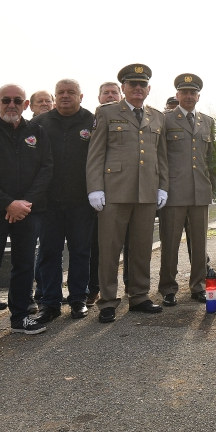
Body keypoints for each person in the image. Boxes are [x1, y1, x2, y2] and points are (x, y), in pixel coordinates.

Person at [0, 84, 53, 348]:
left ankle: (20, 317)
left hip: (28, 211)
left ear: (26, 105)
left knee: (24, 265)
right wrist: (7, 204)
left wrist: (24, 204)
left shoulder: (37, 132)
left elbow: (46, 170)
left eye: (17, 100)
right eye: (6, 100)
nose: (11, 104)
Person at [86, 64, 169, 323]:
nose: (137, 88)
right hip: (114, 192)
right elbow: (96, 153)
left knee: (142, 248)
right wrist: (95, 187)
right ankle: (108, 301)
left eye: (142, 84)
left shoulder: (158, 116)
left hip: (146, 192)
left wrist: (162, 185)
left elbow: (160, 155)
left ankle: (139, 296)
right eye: (132, 84)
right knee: (109, 249)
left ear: (148, 89)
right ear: (123, 88)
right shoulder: (108, 112)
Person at [31, 79, 95, 322]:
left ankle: (78, 299)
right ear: (55, 97)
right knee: (49, 252)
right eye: (61, 93)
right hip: (48, 202)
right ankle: (50, 302)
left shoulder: (92, 121)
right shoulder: (39, 123)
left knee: (80, 251)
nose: (65, 96)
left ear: (81, 96)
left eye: (71, 92)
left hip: (82, 201)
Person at [158, 74, 216, 306]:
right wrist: (161, 187)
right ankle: (168, 288)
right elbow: (160, 156)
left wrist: (214, 184)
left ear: (198, 96)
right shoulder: (164, 120)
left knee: (200, 243)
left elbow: (210, 157)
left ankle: (198, 285)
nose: (189, 96)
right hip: (173, 190)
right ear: (178, 95)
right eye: (185, 92)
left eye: (193, 93)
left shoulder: (207, 121)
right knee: (170, 242)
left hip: (199, 190)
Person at [89, 81, 123, 304]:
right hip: (99, 193)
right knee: (99, 246)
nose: (110, 96)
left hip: (125, 192)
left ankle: (133, 286)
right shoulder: (95, 117)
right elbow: (96, 154)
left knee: (132, 245)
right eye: (106, 93)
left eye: (114, 92)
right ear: (99, 97)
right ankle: (95, 289)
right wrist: (95, 188)